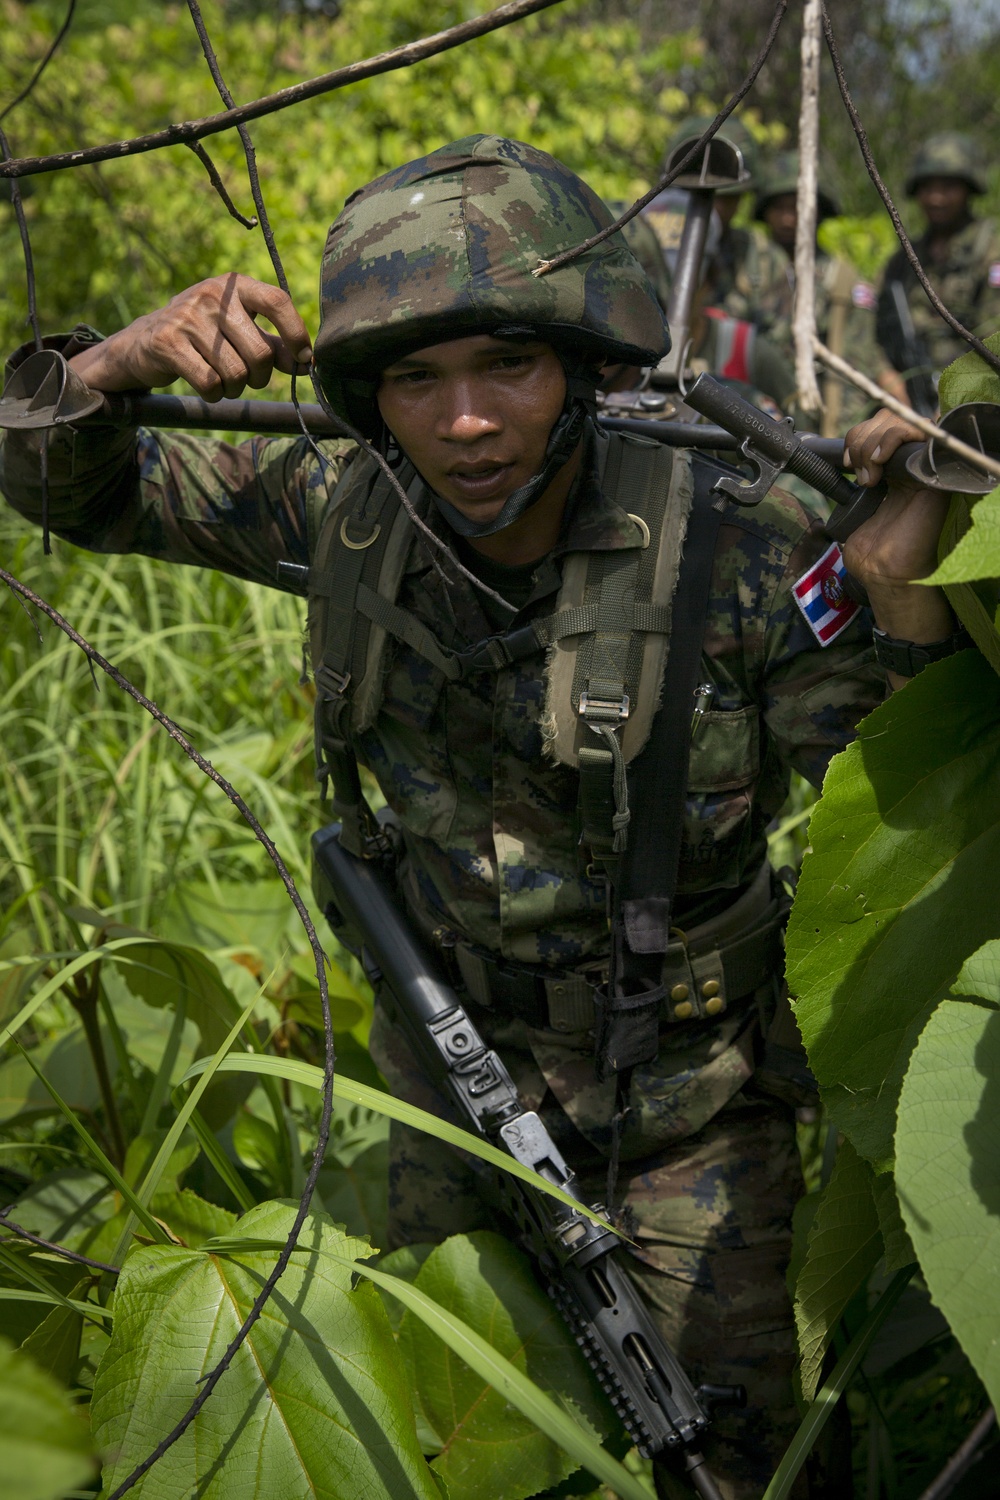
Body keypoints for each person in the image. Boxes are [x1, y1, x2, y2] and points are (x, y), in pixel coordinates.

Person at [0, 134, 962, 1498]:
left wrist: (903, 591)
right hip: (452, 1094)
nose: (463, 425)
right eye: (415, 379)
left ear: (584, 370)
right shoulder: (347, 506)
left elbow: (905, 809)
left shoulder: (736, 541)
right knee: (465, 1447)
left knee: (741, 1464)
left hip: (693, 1110)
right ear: (369, 397)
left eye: (508, 365)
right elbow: (60, 483)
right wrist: (114, 366)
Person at [751, 149, 881, 435]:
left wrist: (838, 440)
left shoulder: (841, 279)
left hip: (813, 427)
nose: (788, 219)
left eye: (798, 207)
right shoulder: (743, 268)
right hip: (744, 413)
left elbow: (853, 367)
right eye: (780, 208)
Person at [874, 132, 1000, 406]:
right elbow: (867, 330)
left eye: (948, 187)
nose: (936, 198)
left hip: (977, 400)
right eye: (927, 188)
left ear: (969, 188)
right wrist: (886, 377)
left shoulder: (991, 251)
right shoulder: (902, 261)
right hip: (905, 401)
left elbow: (994, 338)